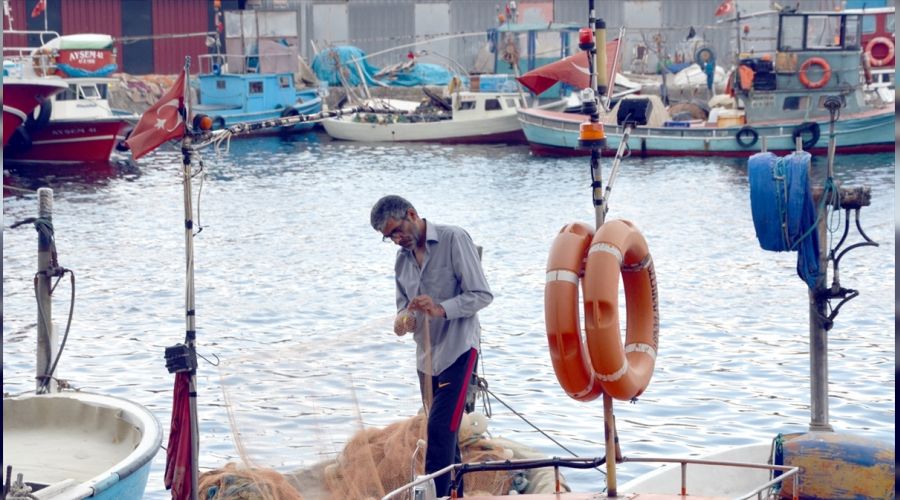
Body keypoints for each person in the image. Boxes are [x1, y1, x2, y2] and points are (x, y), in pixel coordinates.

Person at [370, 195, 492, 497]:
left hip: (459, 350)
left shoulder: (454, 239)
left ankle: (436, 495)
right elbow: (403, 311)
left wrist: (440, 308)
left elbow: (481, 295)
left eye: (397, 230)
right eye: (389, 237)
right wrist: (405, 321)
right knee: (444, 438)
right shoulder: (402, 261)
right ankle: (454, 495)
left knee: (439, 430)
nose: (397, 240)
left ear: (412, 214)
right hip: (425, 358)